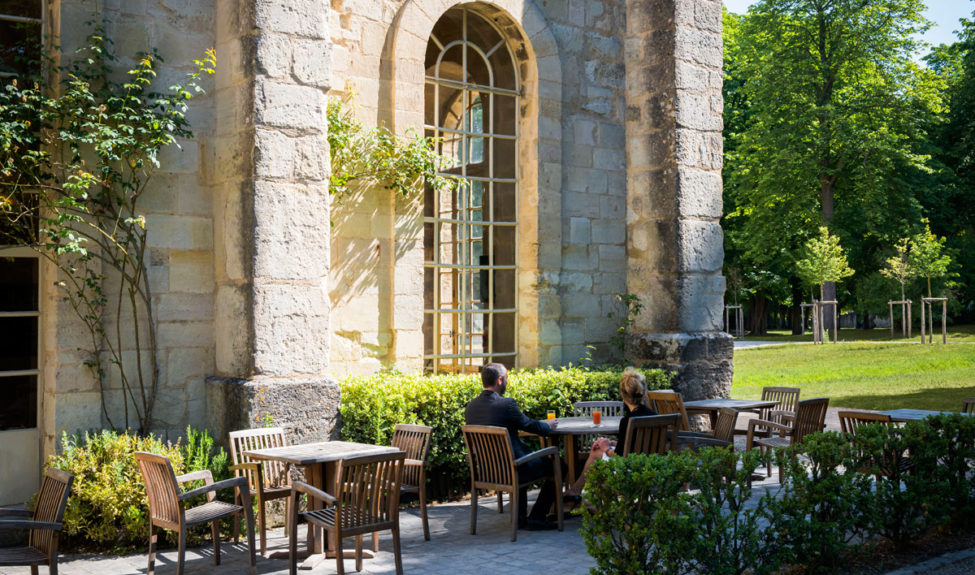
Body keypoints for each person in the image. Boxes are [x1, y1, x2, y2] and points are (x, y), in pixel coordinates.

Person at [465, 362, 562, 530]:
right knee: (558, 464)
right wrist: (548, 426)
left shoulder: (471, 407)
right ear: (500, 380)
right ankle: (537, 518)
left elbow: (523, 423)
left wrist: (539, 424)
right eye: (507, 378)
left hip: (488, 472)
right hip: (514, 469)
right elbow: (530, 425)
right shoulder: (506, 405)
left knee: (519, 459)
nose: (508, 382)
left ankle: (521, 519)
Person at [566, 368, 657, 495]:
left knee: (596, 452)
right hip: (653, 468)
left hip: (631, 471)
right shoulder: (654, 415)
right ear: (643, 392)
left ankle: (577, 492)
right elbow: (635, 445)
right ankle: (578, 492)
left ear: (623, 395)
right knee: (600, 450)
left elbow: (620, 456)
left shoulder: (628, 420)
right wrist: (613, 443)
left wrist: (605, 448)